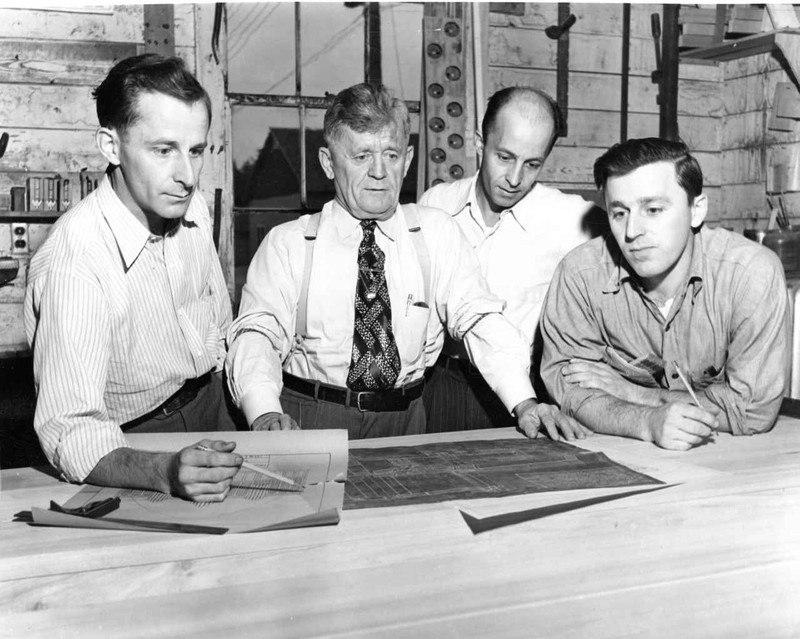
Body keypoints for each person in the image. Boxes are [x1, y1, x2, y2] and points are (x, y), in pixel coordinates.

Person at [226, 83, 589, 442]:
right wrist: (264, 411)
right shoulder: (288, 243)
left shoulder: (436, 232)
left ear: (409, 160)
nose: (379, 172)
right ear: (328, 163)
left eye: (392, 155)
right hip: (311, 416)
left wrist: (524, 403)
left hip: (406, 420)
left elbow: (479, 317)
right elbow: (259, 332)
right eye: (362, 155)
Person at [24, 54, 244, 501]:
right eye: (163, 150)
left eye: (196, 150)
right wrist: (163, 472)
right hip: (132, 449)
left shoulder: (188, 203)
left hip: (215, 405)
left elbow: (217, 318)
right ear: (110, 146)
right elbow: (70, 430)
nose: (186, 176)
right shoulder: (75, 262)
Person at [539, 137, 790, 450]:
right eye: (619, 213)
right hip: (621, 453)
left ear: (696, 210)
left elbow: (753, 412)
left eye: (653, 209)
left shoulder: (750, 273)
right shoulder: (579, 275)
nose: (632, 232)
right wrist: (645, 421)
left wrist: (634, 393)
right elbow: (571, 392)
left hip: (728, 455)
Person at [419, 86, 596, 432]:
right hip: (443, 385)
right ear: (478, 143)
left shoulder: (570, 218)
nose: (515, 179)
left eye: (532, 164)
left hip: (529, 394)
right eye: (504, 157)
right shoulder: (435, 205)